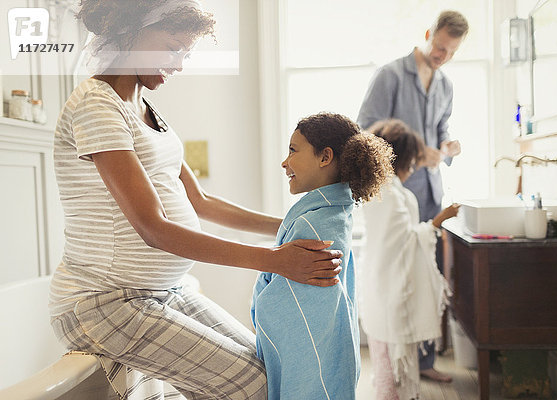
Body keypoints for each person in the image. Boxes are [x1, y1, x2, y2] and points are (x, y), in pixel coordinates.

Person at [49, 1, 343, 399]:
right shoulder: (96, 105)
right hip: (105, 302)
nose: (179, 65)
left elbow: (202, 201)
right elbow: (153, 228)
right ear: (130, 33)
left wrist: (292, 225)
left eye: (184, 54)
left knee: (269, 370)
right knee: (256, 387)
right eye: (172, 49)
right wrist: (274, 260)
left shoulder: (148, 110)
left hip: (164, 291)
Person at [357, 10, 468, 381]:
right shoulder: (389, 75)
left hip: (430, 192)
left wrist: (446, 146)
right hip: (397, 190)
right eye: (439, 47)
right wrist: (414, 151)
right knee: (395, 274)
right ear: (428, 35)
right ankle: (392, 361)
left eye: (451, 52)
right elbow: (366, 130)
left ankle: (422, 363)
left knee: (425, 273)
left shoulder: (445, 86)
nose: (442, 56)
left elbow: (441, 129)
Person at [251, 113, 394, 399]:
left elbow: (292, 310)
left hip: (311, 362)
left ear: (325, 157)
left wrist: (262, 295)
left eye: (292, 150)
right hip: (335, 352)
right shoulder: (337, 213)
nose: (284, 162)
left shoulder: (313, 225)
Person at [360, 119, 459, 399]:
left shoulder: (382, 190)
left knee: (386, 365)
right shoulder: (389, 194)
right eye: (412, 162)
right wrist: (439, 220)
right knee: (391, 368)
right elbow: (404, 243)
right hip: (390, 291)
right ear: (400, 159)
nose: (414, 168)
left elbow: (400, 240)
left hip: (381, 287)